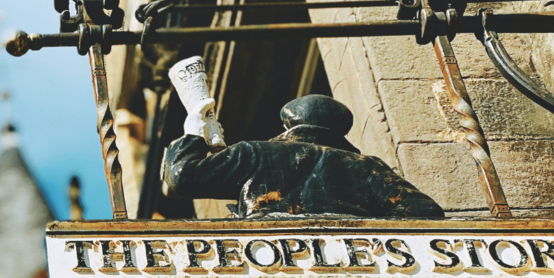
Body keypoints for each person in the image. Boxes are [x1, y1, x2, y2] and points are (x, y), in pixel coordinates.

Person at [163, 94, 445, 218]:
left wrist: (194, 134)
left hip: (269, 251)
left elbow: (183, 177)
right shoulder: (366, 167)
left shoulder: (255, 152)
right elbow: (425, 211)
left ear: (289, 125)